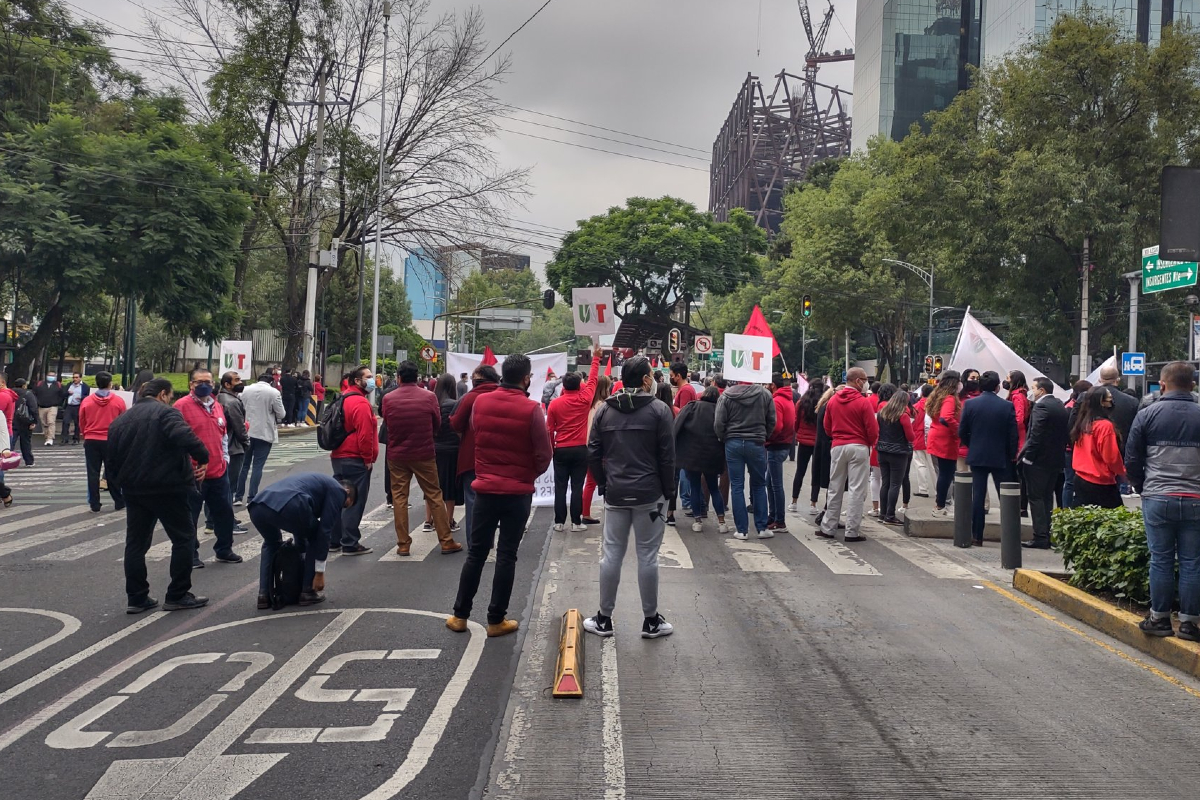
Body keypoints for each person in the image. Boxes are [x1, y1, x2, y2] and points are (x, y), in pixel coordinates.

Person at [448, 354, 552, 638]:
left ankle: (459, 615)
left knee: (477, 554)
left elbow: (476, 437)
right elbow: (544, 454)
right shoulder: (531, 409)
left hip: (484, 490)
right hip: (517, 494)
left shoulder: (480, 402)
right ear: (526, 378)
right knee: (507, 555)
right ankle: (496, 620)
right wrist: (526, 475)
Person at [583, 355, 676, 639]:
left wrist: (604, 484)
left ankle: (604, 618)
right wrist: (668, 492)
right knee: (648, 556)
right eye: (652, 374)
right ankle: (650, 621)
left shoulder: (604, 411)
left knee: (612, 554)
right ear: (646, 379)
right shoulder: (660, 411)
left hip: (616, 494)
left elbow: (593, 452)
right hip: (651, 496)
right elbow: (668, 458)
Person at [107, 378, 210, 613]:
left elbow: (110, 459)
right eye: (170, 396)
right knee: (183, 538)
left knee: (136, 544)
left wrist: (120, 484)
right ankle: (178, 593)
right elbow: (187, 438)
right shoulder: (166, 414)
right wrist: (203, 458)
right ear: (163, 394)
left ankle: (137, 597)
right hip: (168, 487)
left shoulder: (121, 420)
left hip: (134, 489)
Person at [1125, 361, 1200, 641]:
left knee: (1161, 560)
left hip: (1157, 496)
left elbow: (1132, 458)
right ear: (1192, 385)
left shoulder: (1147, 414)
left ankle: (1159, 619)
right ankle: (1190, 624)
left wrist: (1143, 486)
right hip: (1196, 498)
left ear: (1163, 385)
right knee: (1193, 561)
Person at [383, 362, 460, 557]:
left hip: (398, 455)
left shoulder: (388, 398)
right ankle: (446, 541)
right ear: (417, 378)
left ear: (399, 377)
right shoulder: (429, 397)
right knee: (434, 494)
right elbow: (437, 423)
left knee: (399, 498)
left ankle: (403, 544)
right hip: (424, 453)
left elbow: (388, 423)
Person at [249, 473, 355, 609]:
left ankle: (263, 596)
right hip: (290, 504)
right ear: (347, 492)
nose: (340, 508)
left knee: (271, 543)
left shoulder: (316, 484)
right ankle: (307, 591)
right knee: (317, 536)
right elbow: (325, 530)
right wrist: (319, 572)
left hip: (257, 506)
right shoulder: (338, 490)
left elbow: (301, 528)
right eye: (345, 505)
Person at [175, 368, 242, 566]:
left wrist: (225, 459)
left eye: (208, 381)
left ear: (213, 385)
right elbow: (177, 441)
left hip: (219, 472)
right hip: (194, 474)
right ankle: (191, 555)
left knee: (224, 513)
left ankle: (224, 549)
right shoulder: (181, 406)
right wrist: (188, 467)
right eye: (199, 382)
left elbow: (223, 435)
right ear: (191, 385)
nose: (204, 385)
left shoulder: (217, 406)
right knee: (190, 517)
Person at [958, 371, 1018, 547]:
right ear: (998, 386)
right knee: (1006, 497)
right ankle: (1010, 536)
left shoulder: (970, 405)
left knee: (978, 496)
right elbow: (1012, 435)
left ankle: (977, 535)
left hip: (977, 454)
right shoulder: (1006, 406)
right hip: (1001, 456)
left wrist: (972, 444)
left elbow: (962, 431)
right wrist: (1011, 454)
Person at [547, 346, 603, 532]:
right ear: (580, 384)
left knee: (560, 487)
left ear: (563, 386)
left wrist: (552, 448)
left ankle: (559, 522)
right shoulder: (584, 399)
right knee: (577, 487)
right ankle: (576, 522)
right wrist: (595, 358)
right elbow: (594, 379)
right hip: (580, 449)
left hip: (561, 449)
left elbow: (550, 429)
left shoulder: (554, 404)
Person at [819, 368, 877, 543]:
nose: (866, 382)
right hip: (859, 447)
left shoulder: (833, 400)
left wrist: (837, 436)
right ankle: (852, 531)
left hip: (838, 446)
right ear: (858, 381)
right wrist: (869, 443)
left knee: (834, 487)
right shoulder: (863, 402)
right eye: (865, 379)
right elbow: (872, 430)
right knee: (856, 490)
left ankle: (828, 527)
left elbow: (826, 426)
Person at [714, 377, 775, 540]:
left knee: (737, 486)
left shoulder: (726, 396)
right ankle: (762, 528)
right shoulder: (765, 394)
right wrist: (764, 436)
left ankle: (741, 530)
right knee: (759, 485)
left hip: (733, 443)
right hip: (756, 443)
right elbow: (772, 421)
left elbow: (718, 423)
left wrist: (724, 438)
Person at [450, 364, 501, 545]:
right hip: (500, 458)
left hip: (472, 456)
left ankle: (475, 543)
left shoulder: (469, 398)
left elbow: (455, 424)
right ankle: (494, 540)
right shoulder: (504, 396)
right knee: (497, 499)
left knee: (473, 499)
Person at [332, 365, 379, 555]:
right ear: (357, 381)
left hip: (339, 456)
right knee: (353, 500)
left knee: (338, 499)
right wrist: (367, 458)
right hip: (355, 457)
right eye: (368, 377)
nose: (372, 380)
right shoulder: (360, 403)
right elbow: (365, 435)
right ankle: (350, 543)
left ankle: (333, 540)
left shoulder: (343, 398)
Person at [1019, 377, 1070, 549]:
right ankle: (1047, 534)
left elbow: (1036, 434)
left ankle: (1040, 536)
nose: (1031, 391)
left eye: (1033, 388)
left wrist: (1028, 457)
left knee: (1036, 498)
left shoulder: (1041, 406)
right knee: (1047, 497)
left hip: (1039, 461)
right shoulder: (1059, 405)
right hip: (1055, 460)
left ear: (1041, 390)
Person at [673, 385, 728, 533]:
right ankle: (722, 522)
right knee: (713, 488)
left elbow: (676, 426)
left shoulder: (692, 407)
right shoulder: (719, 410)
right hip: (712, 455)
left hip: (691, 455)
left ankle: (697, 521)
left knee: (695, 487)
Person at [1069, 386, 1126, 509]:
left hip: (1081, 477)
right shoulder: (1105, 426)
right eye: (1109, 399)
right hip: (1101, 481)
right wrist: (1123, 472)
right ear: (1102, 402)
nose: (1112, 402)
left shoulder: (1083, 423)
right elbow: (1111, 457)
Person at [78, 371, 126, 513]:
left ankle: (94, 503)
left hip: (91, 439)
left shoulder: (87, 401)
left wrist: (84, 433)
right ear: (110, 384)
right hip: (111, 440)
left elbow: (82, 420)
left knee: (92, 472)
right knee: (112, 472)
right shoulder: (118, 401)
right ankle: (118, 500)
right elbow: (123, 421)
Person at [235, 372, 286, 505]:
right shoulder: (274, 393)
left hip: (246, 431)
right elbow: (281, 413)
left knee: (244, 465)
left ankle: (238, 496)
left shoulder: (245, 390)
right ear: (271, 382)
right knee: (258, 466)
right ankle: (251, 497)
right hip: (264, 432)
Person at [210, 371, 250, 535]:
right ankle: (227, 523)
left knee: (222, 487)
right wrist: (246, 442)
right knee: (228, 488)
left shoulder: (222, 398)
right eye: (236, 380)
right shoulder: (231, 402)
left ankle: (214, 520)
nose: (240, 382)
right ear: (227, 384)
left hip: (227, 447)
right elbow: (239, 427)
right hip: (233, 448)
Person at [431, 374, 464, 535]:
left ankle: (428, 521)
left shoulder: (432, 403)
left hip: (433, 449)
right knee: (449, 487)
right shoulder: (455, 404)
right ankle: (449, 520)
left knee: (432, 486)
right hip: (452, 450)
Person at [926, 371, 962, 516]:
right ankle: (941, 506)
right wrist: (959, 430)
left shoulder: (936, 395)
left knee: (943, 473)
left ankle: (939, 504)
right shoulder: (950, 398)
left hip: (936, 436)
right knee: (946, 474)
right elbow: (946, 417)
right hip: (946, 439)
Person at [876, 389, 914, 525]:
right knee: (895, 484)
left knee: (885, 483)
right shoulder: (903, 416)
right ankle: (890, 515)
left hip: (882, 450)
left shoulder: (881, 413)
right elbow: (910, 437)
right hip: (898, 452)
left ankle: (882, 513)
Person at [765, 373, 796, 532]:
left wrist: (767, 438)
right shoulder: (787, 399)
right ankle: (773, 516)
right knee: (769, 482)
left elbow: (777, 426)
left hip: (776, 445)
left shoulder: (777, 401)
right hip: (783, 444)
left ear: (772, 385)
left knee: (775, 485)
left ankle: (780, 520)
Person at [580, 374, 613, 525]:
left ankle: (585, 512)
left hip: (588, 446)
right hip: (600, 449)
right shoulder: (602, 405)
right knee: (601, 482)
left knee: (590, 482)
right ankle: (588, 514)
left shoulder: (590, 403)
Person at [789, 380, 824, 515]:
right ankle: (813, 504)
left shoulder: (802, 403)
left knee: (800, 471)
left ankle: (794, 502)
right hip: (818, 442)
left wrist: (797, 433)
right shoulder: (823, 404)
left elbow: (796, 421)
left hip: (803, 441)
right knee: (816, 474)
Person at [1062, 379, 1092, 508]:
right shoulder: (1074, 407)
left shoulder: (1069, 405)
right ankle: (1068, 509)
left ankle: (1067, 509)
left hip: (1071, 448)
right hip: (1072, 448)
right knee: (1070, 482)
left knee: (1070, 482)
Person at [911, 384, 934, 497]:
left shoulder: (916, 406)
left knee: (920, 464)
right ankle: (939, 490)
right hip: (932, 437)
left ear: (921, 393)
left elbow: (912, 423)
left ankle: (923, 489)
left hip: (918, 437)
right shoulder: (935, 405)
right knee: (933, 466)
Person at [9, 378, 37, 466]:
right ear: (24, 385)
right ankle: (29, 461)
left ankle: (7, 460)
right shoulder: (28, 394)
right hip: (25, 421)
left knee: (11, 441)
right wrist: (34, 421)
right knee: (26, 442)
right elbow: (33, 408)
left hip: (12, 420)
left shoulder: (9, 393)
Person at [33, 371, 67, 446]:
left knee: (51, 422)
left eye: (53, 375)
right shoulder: (40, 384)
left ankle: (50, 438)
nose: (51, 377)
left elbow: (62, 395)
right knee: (44, 423)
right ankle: (46, 436)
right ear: (46, 376)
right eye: (49, 375)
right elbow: (34, 393)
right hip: (41, 406)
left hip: (53, 406)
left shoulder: (58, 385)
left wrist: (59, 402)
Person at [60, 372, 89, 444]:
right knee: (65, 422)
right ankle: (64, 438)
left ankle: (76, 438)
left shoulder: (85, 386)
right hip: (69, 406)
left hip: (78, 406)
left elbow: (88, 397)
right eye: (74, 377)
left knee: (77, 423)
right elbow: (63, 394)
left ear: (80, 378)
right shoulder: (69, 385)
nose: (75, 379)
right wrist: (68, 393)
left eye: (76, 377)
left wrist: (81, 397)